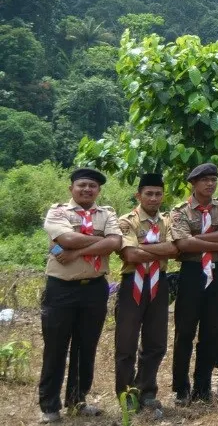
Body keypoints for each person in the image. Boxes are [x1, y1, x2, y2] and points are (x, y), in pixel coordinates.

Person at [38, 168, 121, 422]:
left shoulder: (107, 213)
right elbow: (64, 237)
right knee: (56, 347)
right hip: (61, 289)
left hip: (95, 289)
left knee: (86, 347)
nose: (87, 189)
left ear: (99, 190)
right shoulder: (59, 211)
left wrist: (73, 251)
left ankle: (78, 399)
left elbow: (116, 242)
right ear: (71, 188)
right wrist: (97, 239)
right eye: (82, 185)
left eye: (93, 186)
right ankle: (50, 406)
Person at [169, 162, 218, 404]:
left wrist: (196, 238)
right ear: (194, 183)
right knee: (185, 332)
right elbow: (182, 245)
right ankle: (181, 387)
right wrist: (215, 243)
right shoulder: (180, 211)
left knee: (212, 331)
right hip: (191, 272)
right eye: (204, 180)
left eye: (213, 179)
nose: (210, 184)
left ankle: (203, 385)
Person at [114, 173, 176, 417]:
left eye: (158, 194)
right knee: (126, 344)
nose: (153, 198)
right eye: (148, 193)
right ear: (138, 195)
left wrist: (143, 249)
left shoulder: (168, 221)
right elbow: (129, 256)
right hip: (132, 284)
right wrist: (160, 252)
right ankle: (127, 394)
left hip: (159, 284)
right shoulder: (126, 221)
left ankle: (147, 391)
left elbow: (174, 248)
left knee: (156, 342)